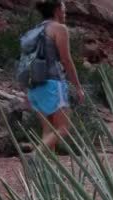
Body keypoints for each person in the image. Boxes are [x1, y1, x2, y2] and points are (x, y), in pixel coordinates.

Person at [28, 0, 85, 152]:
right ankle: (34, 155)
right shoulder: (60, 29)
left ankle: (47, 173)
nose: (65, 12)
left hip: (35, 84)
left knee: (48, 132)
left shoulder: (36, 29)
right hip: (53, 83)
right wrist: (78, 87)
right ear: (57, 10)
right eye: (64, 8)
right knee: (63, 128)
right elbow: (66, 60)